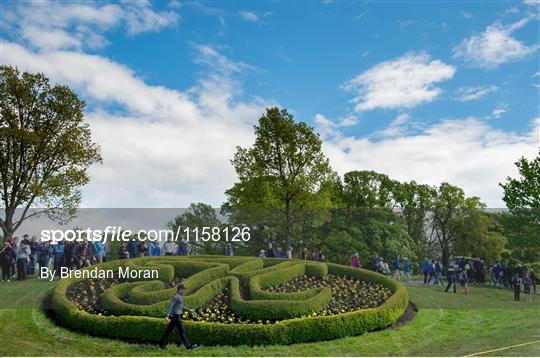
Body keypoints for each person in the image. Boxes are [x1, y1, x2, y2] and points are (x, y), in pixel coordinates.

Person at [159, 283, 198, 350]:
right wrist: (167, 315)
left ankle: (161, 344)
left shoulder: (179, 297)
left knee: (168, 331)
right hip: (176, 317)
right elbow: (170, 306)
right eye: (183, 290)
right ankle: (188, 346)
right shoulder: (176, 297)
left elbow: (181, 306)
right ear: (180, 290)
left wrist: (189, 310)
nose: (184, 291)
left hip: (175, 316)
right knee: (182, 331)